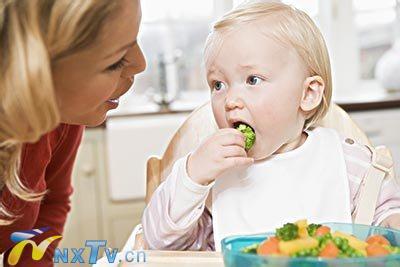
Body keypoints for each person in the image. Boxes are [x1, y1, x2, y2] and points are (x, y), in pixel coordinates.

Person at [142, 1, 400, 251]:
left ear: (308, 94)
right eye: (218, 85)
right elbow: (160, 244)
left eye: (252, 79)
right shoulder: (211, 179)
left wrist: (391, 226)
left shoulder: (348, 163)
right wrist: (192, 177)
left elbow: (386, 219)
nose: (230, 100)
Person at [0, 0, 145, 265]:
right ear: (34, 71)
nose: (141, 64)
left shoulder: (62, 116)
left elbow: (51, 204)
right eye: (115, 61)